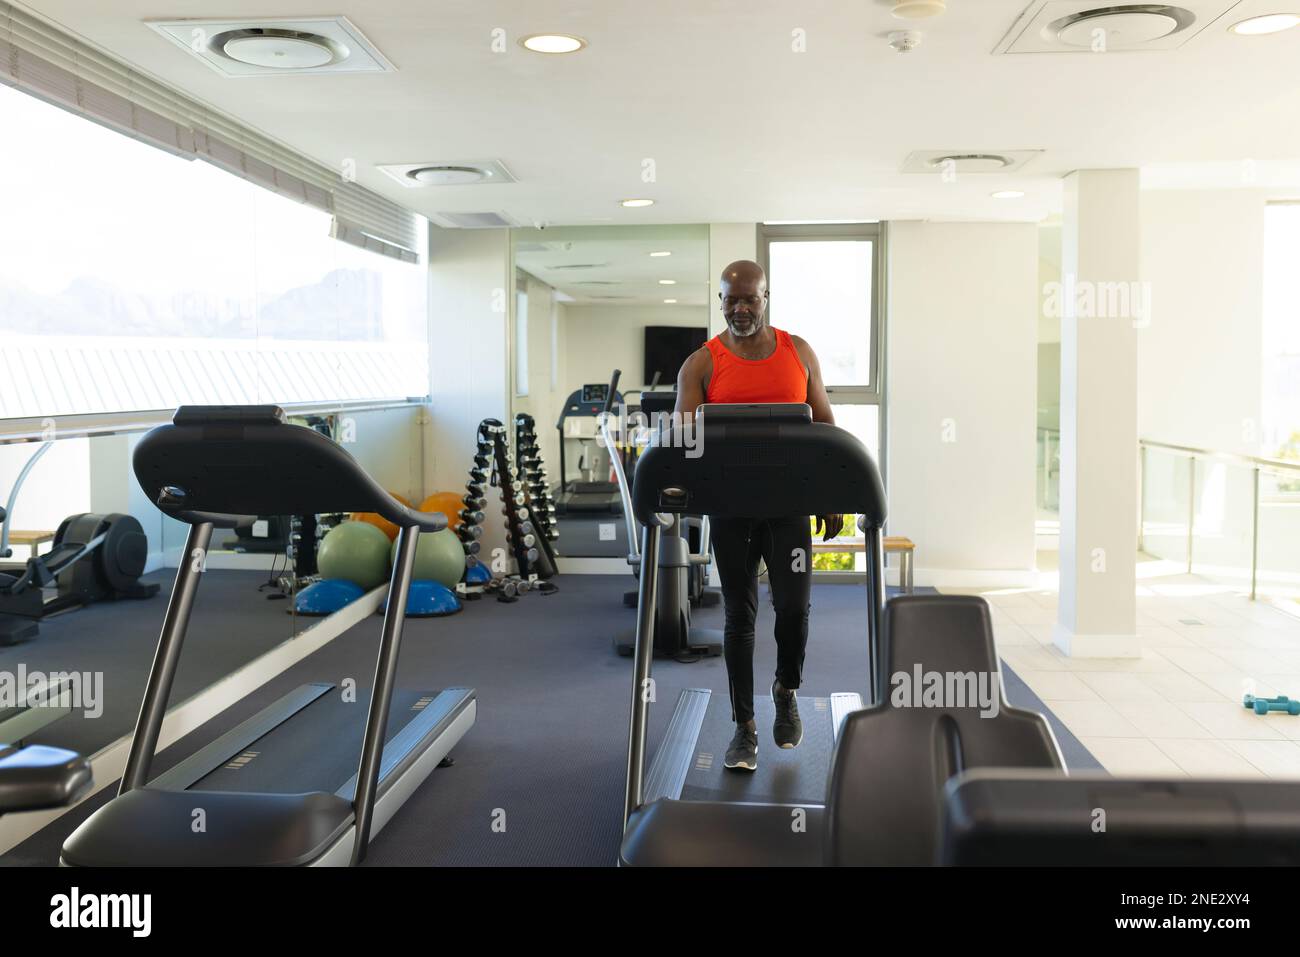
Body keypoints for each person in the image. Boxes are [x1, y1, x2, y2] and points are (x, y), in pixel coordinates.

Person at [674, 260, 844, 772]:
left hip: (788, 508)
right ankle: (743, 727)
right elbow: (684, 440)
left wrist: (830, 493)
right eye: (732, 299)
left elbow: (825, 427)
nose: (741, 308)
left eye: (752, 298)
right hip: (732, 511)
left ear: (766, 298)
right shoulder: (700, 364)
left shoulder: (799, 352)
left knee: (793, 610)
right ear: (721, 300)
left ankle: (785, 689)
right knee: (739, 618)